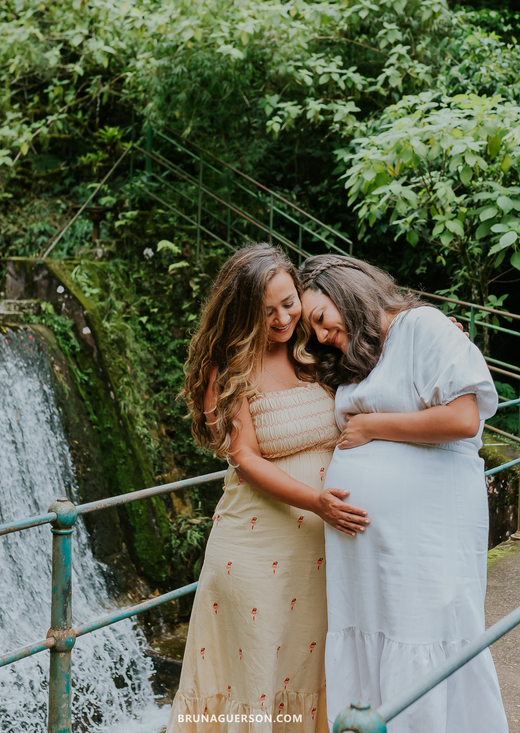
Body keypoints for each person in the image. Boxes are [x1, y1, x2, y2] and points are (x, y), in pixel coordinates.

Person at [297, 255, 509, 733]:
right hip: (368, 552)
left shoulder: (422, 327)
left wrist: (373, 426)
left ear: (346, 292)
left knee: (427, 633)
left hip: (427, 531)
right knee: (383, 639)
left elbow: (462, 419)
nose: (321, 336)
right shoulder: (359, 356)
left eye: (321, 320)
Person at [170, 244, 369, 733]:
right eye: (267, 312)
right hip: (255, 551)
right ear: (242, 313)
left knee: (305, 668)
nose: (283, 318)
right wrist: (317, 503)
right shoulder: (231, 371)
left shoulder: (315, 351)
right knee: (254, 675)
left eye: (289, 303)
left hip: (318, 553)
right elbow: (246, 459)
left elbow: (383, 350)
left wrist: (437, 331)